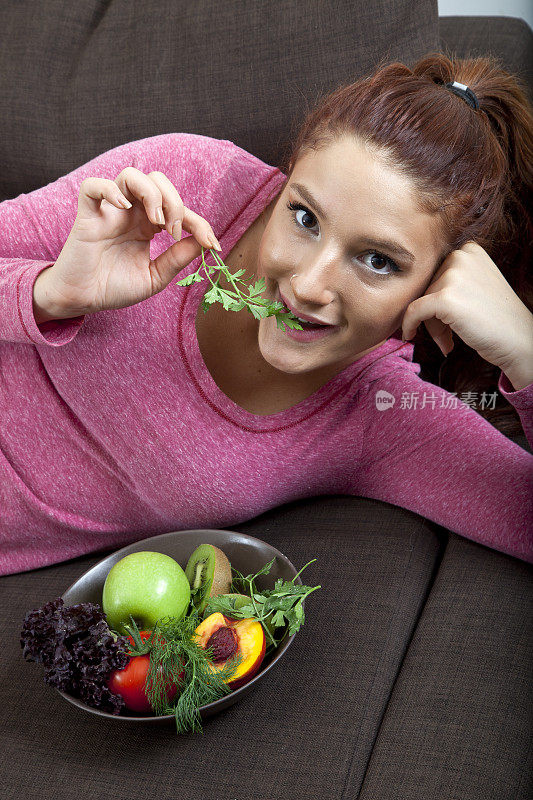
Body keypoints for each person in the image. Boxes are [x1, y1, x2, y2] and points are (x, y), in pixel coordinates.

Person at [0, 52, 531, 576]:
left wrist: (529, 351)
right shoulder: (185, 187)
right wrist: (51, 293)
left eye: (378, 261)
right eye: (304, 217)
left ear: (438, 283)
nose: (307, 284)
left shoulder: (381, 417)